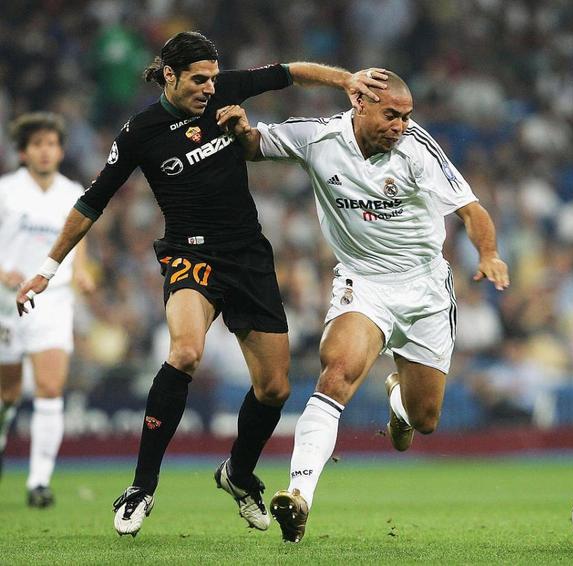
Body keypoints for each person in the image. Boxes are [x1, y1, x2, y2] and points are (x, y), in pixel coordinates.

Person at [16, 31, 387, 536]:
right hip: (190, 254)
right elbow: (92, 201)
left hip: (248, 255)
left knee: (274, 388)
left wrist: (346, 81)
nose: (210, 88)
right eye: (198, 80)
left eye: (213, 78)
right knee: (186, 352)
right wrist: (48, 267)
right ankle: (141, 487)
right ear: (169, 76)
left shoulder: (225, 90)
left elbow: (289, 72)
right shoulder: (140, 131)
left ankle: (238, 474)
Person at [217, 70, 510, 542]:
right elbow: (255, 147)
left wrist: (489, 253)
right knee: (336, 373)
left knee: (425, 419)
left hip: (425, 288)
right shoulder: (319, 137)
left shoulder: (418, 149)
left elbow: (470, 210)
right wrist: (240, 130)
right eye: (391, 115)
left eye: (406, 116)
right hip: (364, 281)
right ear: (360, 105)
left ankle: (399, 403)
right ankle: (299, 495)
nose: (400, 126)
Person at [0, 112, 95, 507]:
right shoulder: (6, 191)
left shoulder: (72, 192)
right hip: (5, 302)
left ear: (60, 151)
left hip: (53, 299)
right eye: (37, 144)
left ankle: (39, 481)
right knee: (7, 394)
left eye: (51, 144)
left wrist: (82, 271)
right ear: (23, 152)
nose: (45, 151)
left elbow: (78, 236)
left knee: (51, 388)